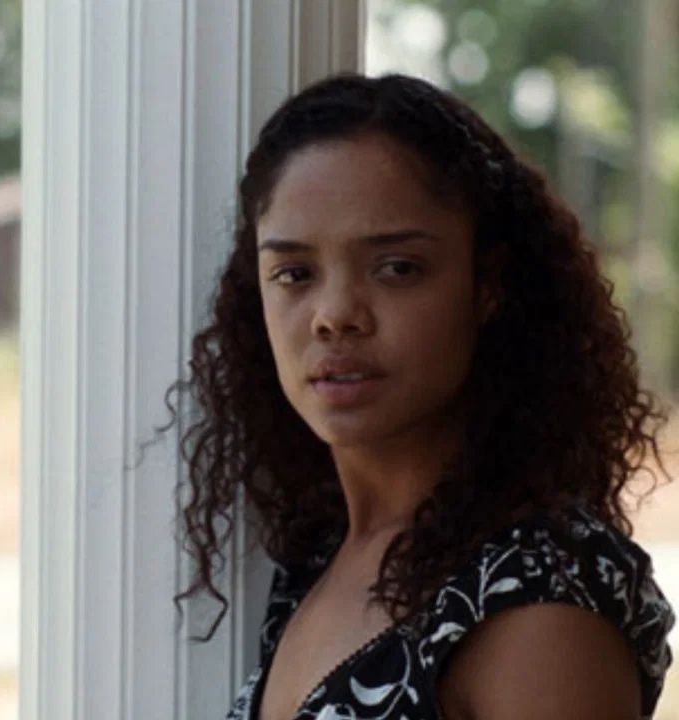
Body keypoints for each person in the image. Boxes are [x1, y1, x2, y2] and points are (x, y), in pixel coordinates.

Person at [165, 73, 676, 719]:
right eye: (294, 273)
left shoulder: (538, 601)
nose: (334, 315)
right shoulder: (318, 558)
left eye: (397, 268)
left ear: (487, 286)